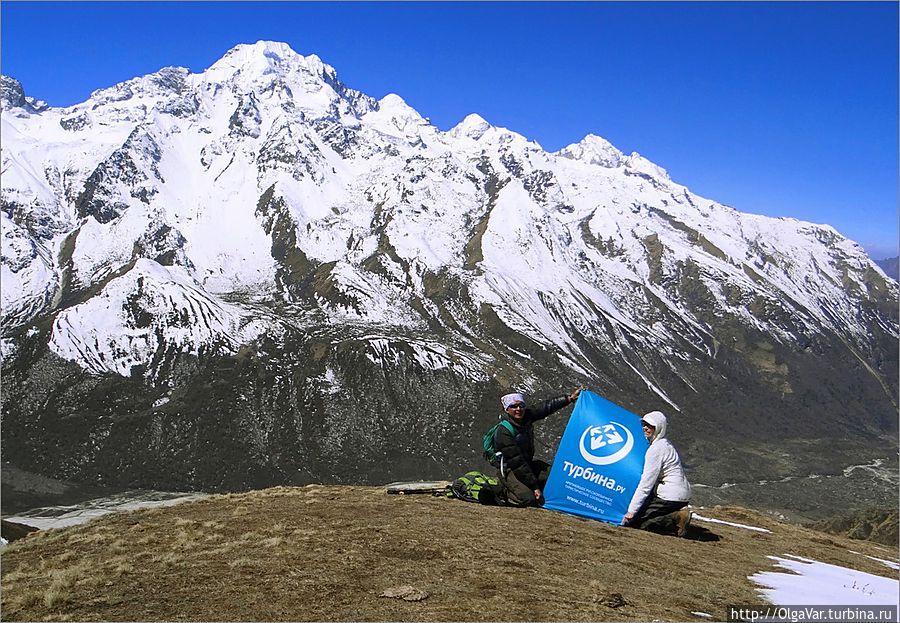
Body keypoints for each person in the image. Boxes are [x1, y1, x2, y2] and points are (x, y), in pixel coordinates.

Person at [492, 387, 584, 507]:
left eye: (521, 405)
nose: (518, 409)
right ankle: (503, 491)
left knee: (556, 475)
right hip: (511, 470)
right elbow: (517, 462)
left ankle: (529, 486)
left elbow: (545, 407)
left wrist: (569, 398)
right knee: (528, 499)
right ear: (507, 409)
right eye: (513, 406)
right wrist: (535, 487)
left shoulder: (526, 417)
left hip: (527, 465)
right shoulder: (503, 431)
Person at [622, 410, 692, 536]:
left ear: (659, 428)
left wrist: (631, 512)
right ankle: (677, 512)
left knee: (636, 524)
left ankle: (674, 519)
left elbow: (646, 484)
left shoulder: (655, 449)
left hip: (669, 495)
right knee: (646, 511)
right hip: (683, 494)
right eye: (644, 424)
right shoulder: (666, 444)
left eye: (650, 426)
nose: (645, 428)